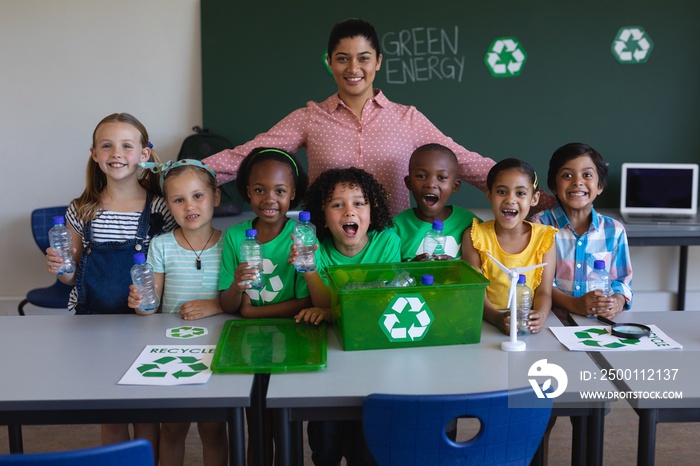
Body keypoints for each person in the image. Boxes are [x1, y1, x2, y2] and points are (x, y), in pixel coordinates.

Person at [201, 18, 522, 216]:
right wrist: (183, 175)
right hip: (326, 248)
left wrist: (524, 191)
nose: (353, 69)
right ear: (329, 62)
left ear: (378, 61)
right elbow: (245, 156)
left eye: (363, 58)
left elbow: (464, 162)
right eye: (342, 59)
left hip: (391, 244)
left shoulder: (407, 119)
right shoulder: (310, 118)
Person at [45, 112, 175, 458]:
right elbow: (71, 275)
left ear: (144, 154)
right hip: (92, 322)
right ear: (94, 154)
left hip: (143, 322)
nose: (116, 153)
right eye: (107, 145)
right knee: (112, 412)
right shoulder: (82, 209)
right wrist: (60, 267)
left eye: (126, 146)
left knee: (146, 411)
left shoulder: (160, 208)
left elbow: (167, 265)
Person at [292, 167, 399, 466]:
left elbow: (379, 304)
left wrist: (329, 313)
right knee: (325, 445)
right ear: (322, 216)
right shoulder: (316, 251)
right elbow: (323, 303)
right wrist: (310, 268)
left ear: (371, 209)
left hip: (375, 360)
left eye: (358, 203)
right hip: (331, 359)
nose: (349, 211)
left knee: (366, 449)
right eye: (337, 204)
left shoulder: (387, 241)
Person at [129, 159, 228, 466]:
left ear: (216, 197)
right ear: (168, 205)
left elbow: (241, 299)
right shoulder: (161, 246)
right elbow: (151, 304)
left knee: (213, 430)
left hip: (216, 347)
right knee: (172, 429)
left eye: (198, 196)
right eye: (178, 199)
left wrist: (214, 306)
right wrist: (140, 303)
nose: (190, 206)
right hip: (171, 347)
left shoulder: (232, 244)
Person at [218, 147, 311, 466]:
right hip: (248, 345)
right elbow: (228, 304)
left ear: (293, 194)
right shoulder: (234, 238)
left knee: (286, 425)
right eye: (259, 190)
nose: (269, 198)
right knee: (256, 425)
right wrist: (237, 287)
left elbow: (304, 303)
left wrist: (251, 311)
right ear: (247, 192)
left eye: (280, 191)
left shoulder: (301, 237)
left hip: (293, 340)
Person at [530, 143, 632, 319]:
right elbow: (536, 282)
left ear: (600, 186)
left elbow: (622, 281)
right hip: (552, 320)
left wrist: (617, 301)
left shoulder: (614, 230)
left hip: (597, 322)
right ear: (554, 186)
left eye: (587, 175)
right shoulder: (540, 225)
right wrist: (573, 304)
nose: (577, 182)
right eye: (567, 175)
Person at [462, 158, 557, 335]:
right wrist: (497, 318)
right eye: (501, 192)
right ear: (489, 195)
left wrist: (541, 316)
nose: (510, 200)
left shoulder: (545, 238)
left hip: (526, 324)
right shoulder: (475, 236)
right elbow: (476, 292)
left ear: (534, 198)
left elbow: (544, 291)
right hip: (486, 323)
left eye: (520, 193)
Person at [392, 143, 480, 261]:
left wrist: (455, 269)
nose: (431, 184)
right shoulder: (396, 228)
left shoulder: (470, 224)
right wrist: (411, 270)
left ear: (455, 186)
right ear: (409, 183)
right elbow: (388, 275)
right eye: (421, 176)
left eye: (442, 177)